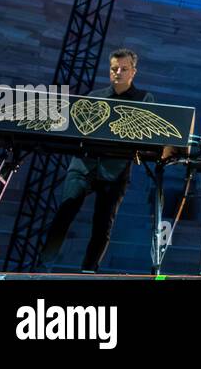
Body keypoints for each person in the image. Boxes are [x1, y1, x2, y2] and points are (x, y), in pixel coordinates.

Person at [39, 49, 155, 273]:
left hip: (116, 169)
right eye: (114, 69)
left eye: (123, 69)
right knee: (65, 211)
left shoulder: (144, 99)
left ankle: (89, 271)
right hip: (84, 164)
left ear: (133, 72)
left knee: (103, 224)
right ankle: (42, 266)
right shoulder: (95, 96)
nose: (118, 73)